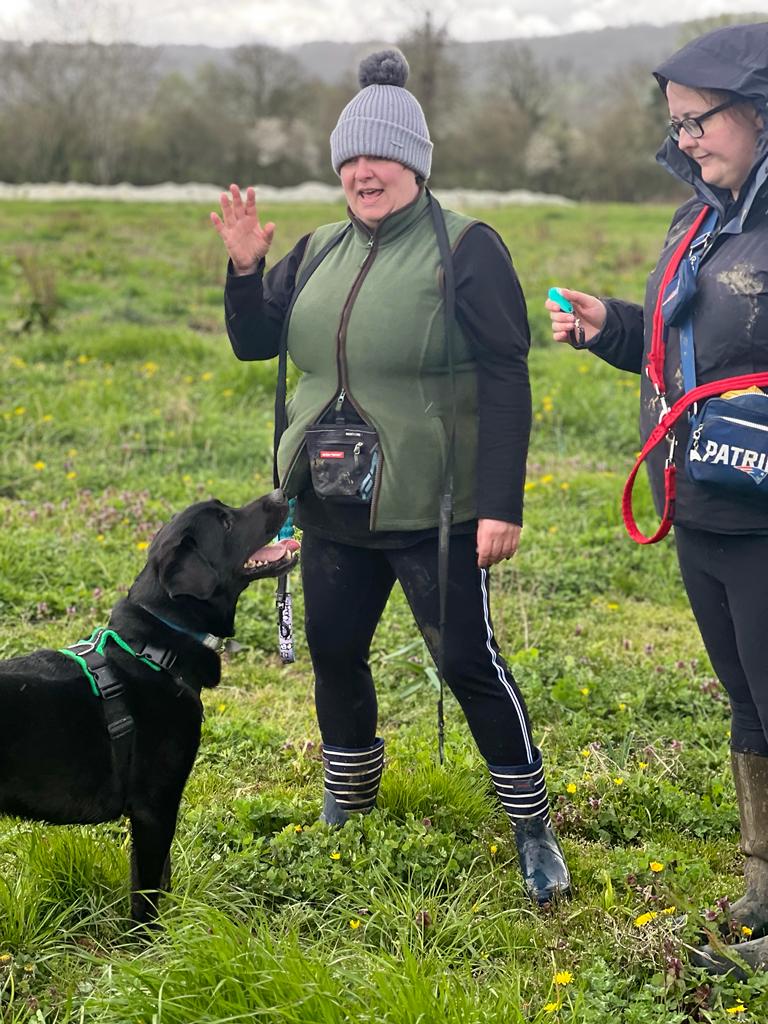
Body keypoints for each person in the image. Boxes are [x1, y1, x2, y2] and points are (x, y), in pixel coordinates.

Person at [212, 48, 570, 906]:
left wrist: (500, 504)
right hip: (330, 501)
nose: (363, 173)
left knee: (464, 661)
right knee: (335, 653)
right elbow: (258, 344)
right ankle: (349, 802)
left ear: (414, 163)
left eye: (381, 157)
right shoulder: (317, 248)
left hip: (431, 506)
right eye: (350, 159)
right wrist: (246, 270)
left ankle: (532, 827)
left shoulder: (469, 249)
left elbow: (505, 377)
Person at [545, 22, 768, 971]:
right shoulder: (701, 220)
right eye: (675, 126)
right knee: (750, 707)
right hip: (702, 507)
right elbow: (686, 344)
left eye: (699, 122)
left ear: (758, 111)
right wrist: (611, 328)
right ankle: (764, 889)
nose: (686, 141)